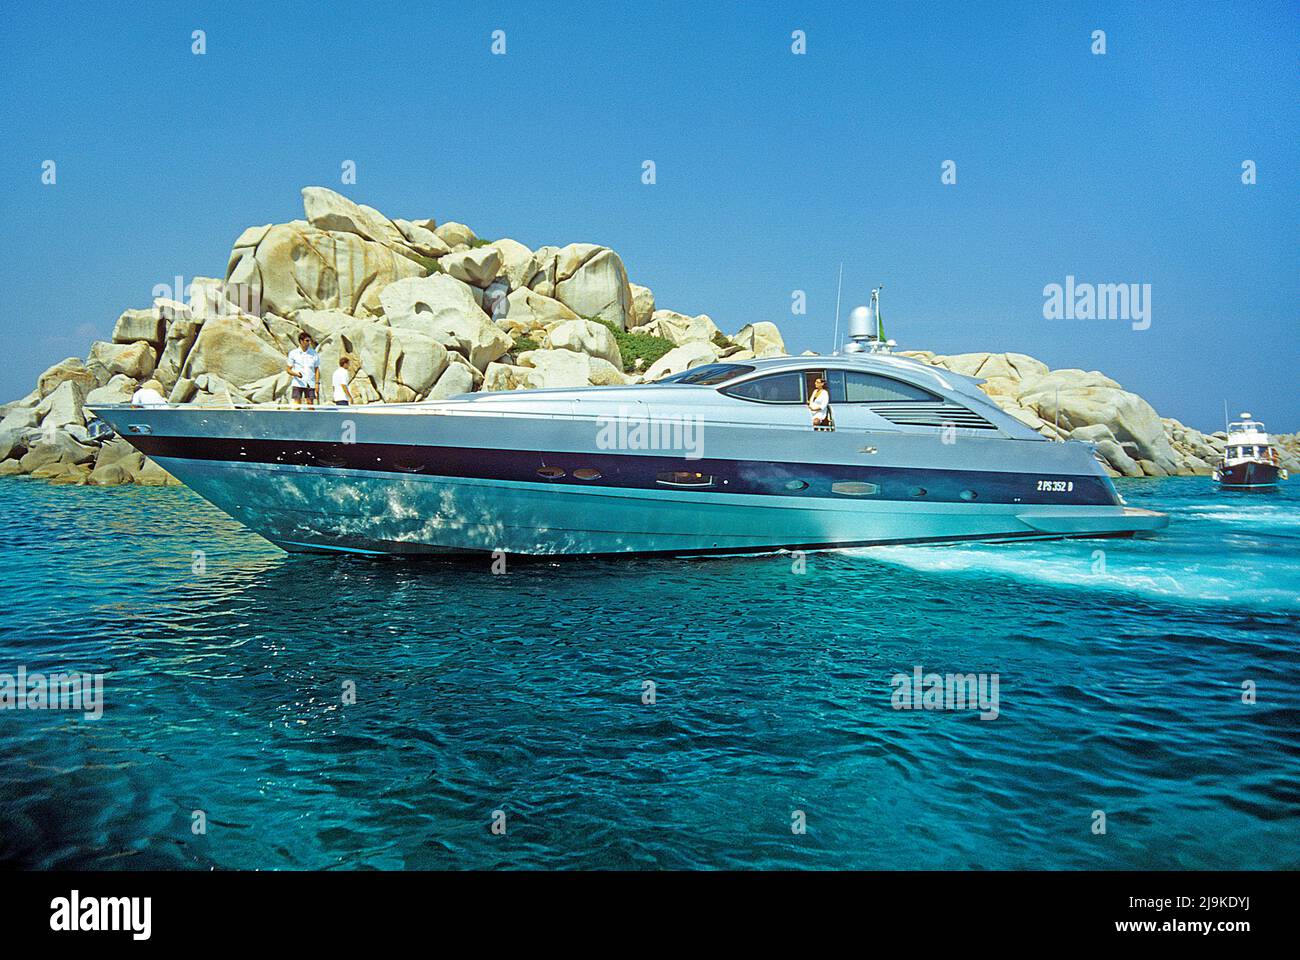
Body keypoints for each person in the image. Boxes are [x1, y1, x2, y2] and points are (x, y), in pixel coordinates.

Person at [286, 333, 320, 407]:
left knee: (310, 404)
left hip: (310, 383)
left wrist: (317, 383)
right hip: (298, 383)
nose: (309, 343)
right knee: (297, 405)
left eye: (310, 341)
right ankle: (296, 418)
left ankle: (310, 418)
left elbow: (317, 369)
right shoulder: (293, 353)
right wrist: (296, 374)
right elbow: (288, 370)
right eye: (307, 341)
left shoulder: (314, 353)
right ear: (301, 341)